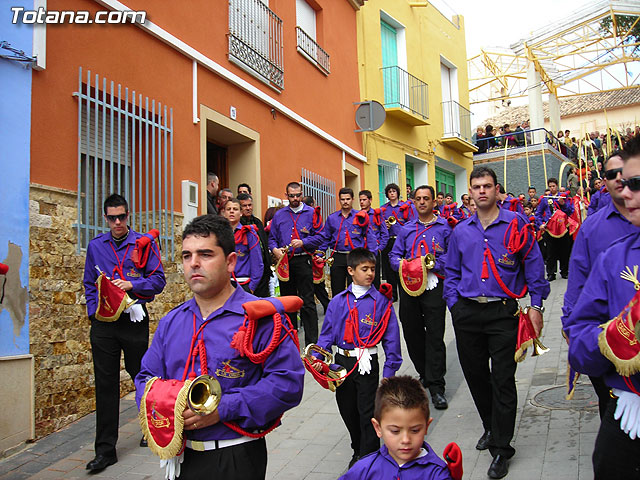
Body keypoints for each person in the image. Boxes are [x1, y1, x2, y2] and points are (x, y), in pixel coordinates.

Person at [135, 214, 304, 480]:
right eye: (186, 256)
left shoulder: (262, 319)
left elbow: (288, 385)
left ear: (230, 261)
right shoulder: (171, 322)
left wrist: (223, 409)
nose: (194, 264)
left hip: (235, 457)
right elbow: (145, 379)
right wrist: (167, 409)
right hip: (180, 458)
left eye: (205, 254)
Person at [444, 167, 549, 479]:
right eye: (476, 186)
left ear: (496, 189)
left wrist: (537, 306)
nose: (481, 191)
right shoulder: (461, 231)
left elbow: (533, 264)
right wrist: (454, 305)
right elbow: (451, 272)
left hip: (504, 314)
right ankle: (491, 427)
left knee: (502, 379)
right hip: (467, 314)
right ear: (471, 192)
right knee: (476, 377)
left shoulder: (516, 224)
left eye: (487, 186)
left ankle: (502, 449)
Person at [565, 135, 640, 478]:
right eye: (622, 182)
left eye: (635, 184)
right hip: (628, 406)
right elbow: (581, 334)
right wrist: (612, 339)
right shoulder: (613, 257)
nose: (626, 192)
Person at [83, 194, 166, 472]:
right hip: (104, 324)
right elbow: (88, 283)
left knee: (141, 375)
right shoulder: (96, 246)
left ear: (128, 215)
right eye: (111, 218)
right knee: (105, 385)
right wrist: (95, 311)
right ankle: (105, 451)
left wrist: (131, 284)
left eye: (121, 217)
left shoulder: (144, 243)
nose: (117, 222)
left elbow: (158, 281)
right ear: (105, 218)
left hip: (133, 320)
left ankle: (150, 427)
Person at [314, 248, 402, 468]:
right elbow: (326, 335)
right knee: (347, 408)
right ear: (351, 271)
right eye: (364, 269)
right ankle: (358, 447)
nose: (370, 273)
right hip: (341, 362)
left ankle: (369, 455)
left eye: (372, 269)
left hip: (367, 363)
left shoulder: (381, 302)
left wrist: (389, 372)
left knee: (367, 410)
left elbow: (391, 339)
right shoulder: (337, 302)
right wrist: (317, 357)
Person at [390, 185, 451, 410]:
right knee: (411, 331)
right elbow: (394, 255)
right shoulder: (406, 230)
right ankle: (424, 372)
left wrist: (434, 264)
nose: (422, 202)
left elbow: (452, 258)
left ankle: (437, 386)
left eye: (426, 198)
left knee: (435, 335)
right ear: (413, 202)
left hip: (435, 286)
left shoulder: (445, 228)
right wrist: (405, 265)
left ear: (434, 202)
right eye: (418, 198)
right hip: (409, 287)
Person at [339, 376, 454, 480]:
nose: (405, 440)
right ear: (378, 428)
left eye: (415, 430)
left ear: (426, 426)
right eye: (395, 431)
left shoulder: (436, 474)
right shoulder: (365, 469)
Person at [269, 182, 322, 346]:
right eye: (291, 196)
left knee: (308, 302)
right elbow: (271, 239)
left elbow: (321, 237)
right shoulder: (279, 215)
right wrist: (274, 250)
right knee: (288, 302)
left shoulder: (312, 213)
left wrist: (304, 242)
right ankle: (290, 341)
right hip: (286, 263)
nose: (295, 198)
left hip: (304, 260)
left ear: (302, 194)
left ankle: (312, 343)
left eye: (298, 195)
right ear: (286, 196)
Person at [305, 187, 377, 296]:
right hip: (337, 257)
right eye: (343, 199)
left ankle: (357, 311)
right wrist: (321, 254)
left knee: (357, 288)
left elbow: (369, 236)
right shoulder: (332, 218)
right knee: (337, 289)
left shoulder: (361, 216)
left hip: (356, 257)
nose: (345, 202)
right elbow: (326, 238)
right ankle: (339, 311)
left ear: (352, 199)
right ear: (339, 200)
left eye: (348, 199)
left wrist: (372, 256)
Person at [536, 177, 574, 280]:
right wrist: (540, 224)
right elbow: (538, 213)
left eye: (554, 186)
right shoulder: (545, 199)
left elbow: (570, 211)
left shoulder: (563, 198)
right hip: (550, 228)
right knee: (550, 252)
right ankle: (551, 273)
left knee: (564, 251)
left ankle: (565, 271)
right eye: (550, 186)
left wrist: (563, 204)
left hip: (562, 228)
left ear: (557, 186)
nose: (552, 188)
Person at [223, 198, 263, 293]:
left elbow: (257, 262)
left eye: (235, 209)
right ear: (224, 213)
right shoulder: (219, 234)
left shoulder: (249, 233)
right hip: (224, 284)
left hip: (243, 283)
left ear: (241, 213)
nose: (232, 211)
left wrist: (251, 287)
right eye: (229, 209)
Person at [238, 193, 271, 297]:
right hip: (248, 274)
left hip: (264, 270)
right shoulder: (239, 225)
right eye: (244, 206)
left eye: (250, 205)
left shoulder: (257, 222)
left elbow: (264, 243)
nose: (248, 208)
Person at [302, 195, 330, 314]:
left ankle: (326, 306)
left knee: (317, 284)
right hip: (310, 255)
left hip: (314, 255)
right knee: (315, 286)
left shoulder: (313, 217)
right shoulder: (311, 216)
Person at [380, 183, 407, 302]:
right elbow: (379, 224)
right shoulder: (383, 209)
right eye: (389, 191)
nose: (392, 193)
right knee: (389, 268)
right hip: (388, 240)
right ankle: (393, 295)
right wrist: (384, 225)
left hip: (401, 241)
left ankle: (404, 293)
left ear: (397, 193)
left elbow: (410, 222)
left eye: (394, 191)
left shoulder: (404, 207)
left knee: (402, 267)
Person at [359, 189, 389, 288]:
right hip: (362, 251)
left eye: (364, 200)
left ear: (370, 200)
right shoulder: (357, 215)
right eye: (360, 200)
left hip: (374, 251)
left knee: (374, 279)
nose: (362, 202)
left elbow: (385, 234)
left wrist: (380, 248)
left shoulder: (377, 215)